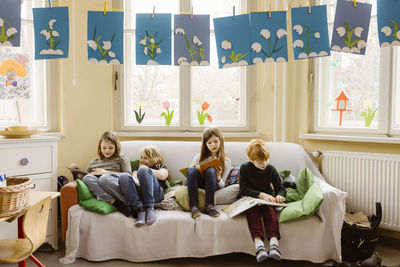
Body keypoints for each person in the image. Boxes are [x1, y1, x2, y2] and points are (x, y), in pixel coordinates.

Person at [239, 139, 286, 263]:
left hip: (266, 201)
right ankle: (259, 247)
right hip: (250, 200)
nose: (264, 164)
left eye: (266, 160)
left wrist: (280, 195)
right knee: (252, 213)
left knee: (270, 213)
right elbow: (243, 189)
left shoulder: (271, 169)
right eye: (260, 162)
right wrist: (260, 195)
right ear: (251, 159)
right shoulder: (244, 168)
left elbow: (280, 187)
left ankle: (274, 246)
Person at [69, 131, 132, 216]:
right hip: (100, 189)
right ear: (100, 147)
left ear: (116, 147)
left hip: (113, 184)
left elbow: (128, 175)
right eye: (104, 148)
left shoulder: (121, 158)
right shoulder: (94, 161)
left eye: (110, 148)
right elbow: (83, 178)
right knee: (87, 178)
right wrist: (75, 171)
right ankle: (113, 201)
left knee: (104, 179)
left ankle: (126, 202)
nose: (107, 151)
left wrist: (107, 173)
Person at [186, 127, 232, 219]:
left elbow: (223, 186)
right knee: (191, 170)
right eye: (209, 143)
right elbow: (187, 180)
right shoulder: (198, 157)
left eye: (215, 141)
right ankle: (194, 206)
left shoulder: (226, 161)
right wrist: (196, 169)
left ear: (221, 141)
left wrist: (218, 177)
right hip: (198, 184)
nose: (213, 145)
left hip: (211, 186)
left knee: (210, 170)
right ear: (205, 144)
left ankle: (209, 206)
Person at [119, 146, 168, 227]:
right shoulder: (138, 167)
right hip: (141, 195)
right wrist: (138, 182)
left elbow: (162, 175)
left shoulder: (160, 166)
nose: (142, 160)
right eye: (141, 157)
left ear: (154, 158)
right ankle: (140, 210)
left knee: (143, 170)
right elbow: (134, 178)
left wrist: (146, 169)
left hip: (155, 195)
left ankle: (149, 208)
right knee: (124, 176)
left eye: (146, 158)